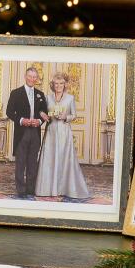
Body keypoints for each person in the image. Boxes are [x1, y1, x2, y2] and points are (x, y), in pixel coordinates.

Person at [34, 72, 91, 202]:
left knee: (64, 159)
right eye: (56, 83)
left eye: (61, 83)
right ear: (52, 85)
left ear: (65, 85)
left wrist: (65, 117)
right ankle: (47, 189)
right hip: (51, 132)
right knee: (49, 159)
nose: (58, 86)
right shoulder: (47, 98)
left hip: (65, 133)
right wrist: (43, 114)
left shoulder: (70, 98)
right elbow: (41, 110)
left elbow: (74, 115)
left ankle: (64, 188)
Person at [5, 67, 48, 198]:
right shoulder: (16, 93)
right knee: (21, 161)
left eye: (35, 77)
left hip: (35, 132)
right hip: (21, 132)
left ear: (37, 79)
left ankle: (30, 188)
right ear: (25, 76)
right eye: (30, 76)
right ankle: (21, 189)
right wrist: (22, 120)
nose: (32, 79)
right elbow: (9, 112)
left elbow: (44, 112)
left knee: (32, 162)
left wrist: (39, 122)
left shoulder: (40, 94)